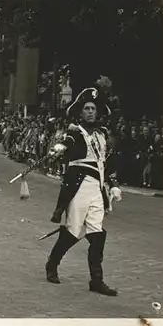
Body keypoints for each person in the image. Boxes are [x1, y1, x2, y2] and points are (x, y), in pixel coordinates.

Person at [45, 87, 122, 297]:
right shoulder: (75, 132)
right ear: (81, 112)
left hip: (97, 190)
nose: (90, 112)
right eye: (87, 108)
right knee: (72, 231)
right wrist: (60, 148)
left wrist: (113, 184)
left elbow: (108, 163)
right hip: (78, 189)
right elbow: (66, 143)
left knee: (97, 235)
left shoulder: (103, 134)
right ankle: (52, 264)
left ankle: (96, 280)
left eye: (93, 109)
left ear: (98, 112)